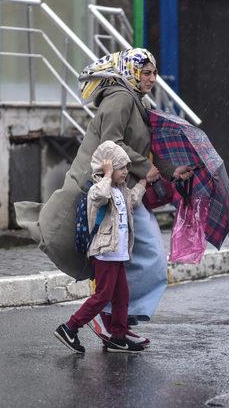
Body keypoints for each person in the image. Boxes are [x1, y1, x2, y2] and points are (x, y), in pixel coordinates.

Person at [14, 48, 192, 344]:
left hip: (125, 192)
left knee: (142, 259)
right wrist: (144, 167)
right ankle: (107, 320)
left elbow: (141, 149)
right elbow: (112, 143)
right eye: (146, 72)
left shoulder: (137, 102)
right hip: (105, 191)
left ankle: (117, 322)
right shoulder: (121, 98)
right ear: (131, 72)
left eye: (154, 73)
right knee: (143, 259)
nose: (152, 79)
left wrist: (172, 170)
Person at [54, 141, 147, 354]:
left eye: (126, 167)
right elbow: (99, 197)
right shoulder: (98, 188)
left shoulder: (121, 190)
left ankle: (118, 336)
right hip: (104, 253)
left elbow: (132, 201)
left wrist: (143, 182)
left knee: (122, 295)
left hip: (118, 254)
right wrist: (106, 175)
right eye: (121, 167)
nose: (125, 172)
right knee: (103, 295)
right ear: (108, 167)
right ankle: (70, 327)